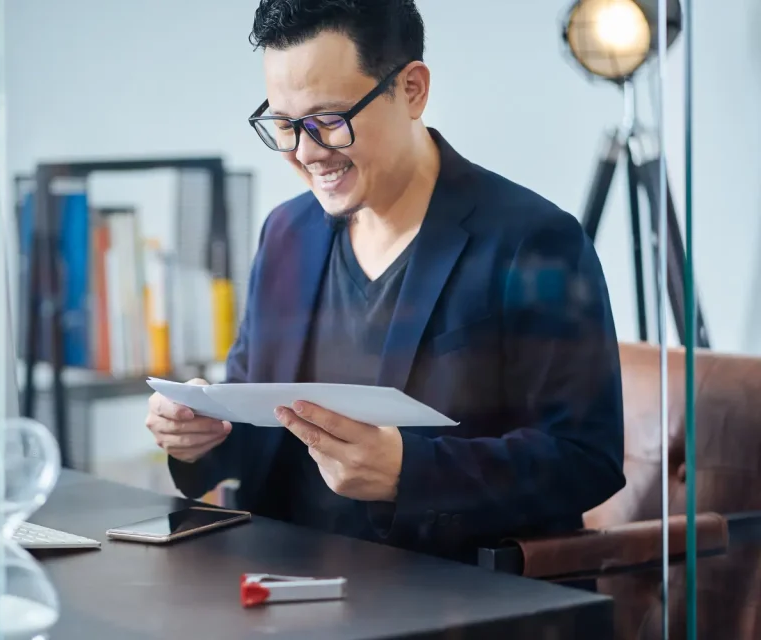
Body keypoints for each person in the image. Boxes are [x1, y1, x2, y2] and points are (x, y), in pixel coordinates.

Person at [145, 0, 626, 564]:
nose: (305, 152)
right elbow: (259, 421)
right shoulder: (286, 233)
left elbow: (586, 458)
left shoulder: (532, 241)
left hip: (448, 595)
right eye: (284, 124)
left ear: (412, 90)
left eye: (328, 121)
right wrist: (202, 434)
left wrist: (409, 473)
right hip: (276, 582)